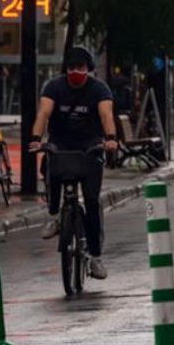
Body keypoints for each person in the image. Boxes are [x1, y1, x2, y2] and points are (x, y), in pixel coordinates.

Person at [30, 46, 118, 280]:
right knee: (49, 166)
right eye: (71, 67)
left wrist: (110, 138)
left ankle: (95, 257)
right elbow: (43, 113)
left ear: (88, 68)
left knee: (91, 201)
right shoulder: (54, 87)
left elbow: (106, 115)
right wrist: (37, 138)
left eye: (80, 67)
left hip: (90, 145)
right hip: (61, 143)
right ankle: (54, 216)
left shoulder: (99, 89)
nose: (75, 71)